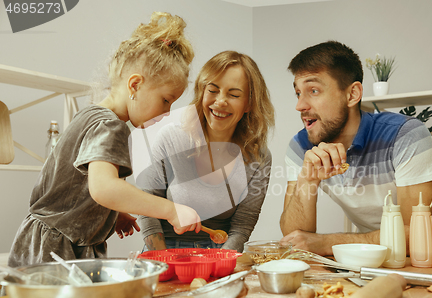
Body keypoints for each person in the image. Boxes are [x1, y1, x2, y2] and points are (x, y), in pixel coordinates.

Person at [7, 12, 201, 267]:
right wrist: (171, 210)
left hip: (40, 241)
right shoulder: (111, 126)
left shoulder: (88, 114)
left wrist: (112, 213)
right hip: (58, 251)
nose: (166, 113)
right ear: (135, 85)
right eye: (165, 100)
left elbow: (76, 186)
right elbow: (105, 188)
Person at [280, 40, 432, 256]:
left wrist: (328, 243)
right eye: (298, 93)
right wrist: (307, 180)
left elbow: (417, 236)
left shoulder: (405, 135)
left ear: (352, 94)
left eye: (313, 90)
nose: (300, 105)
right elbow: (295, 238)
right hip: (372, 255)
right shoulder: (301, 147)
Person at [135, 51, 275, 252]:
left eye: (234, 95)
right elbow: (146, 204)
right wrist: (160, 257)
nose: (220, 101)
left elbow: (243, 225)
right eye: (213, 90)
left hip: (220, 251)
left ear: (249, 104)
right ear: (202, 92)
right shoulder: (171, 138)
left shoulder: (258, 157)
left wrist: (221, 262)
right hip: (164, 248)